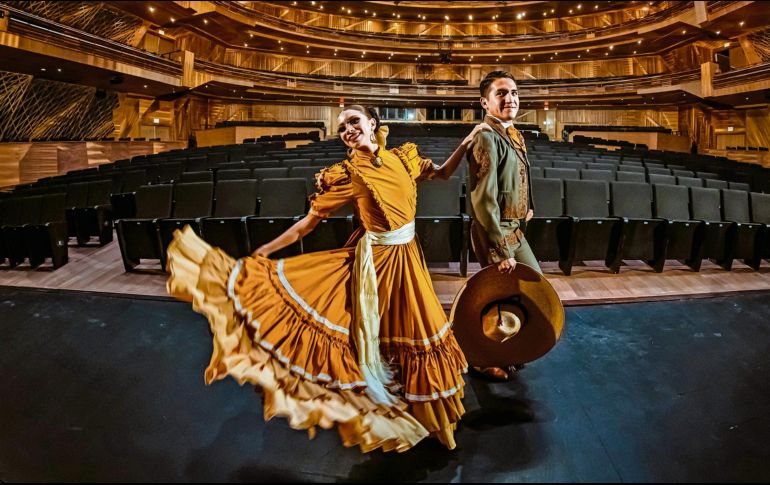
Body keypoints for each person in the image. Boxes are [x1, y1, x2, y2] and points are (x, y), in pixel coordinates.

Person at [166, 105, 490, 452]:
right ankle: (384, 412)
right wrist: (266, 250)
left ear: (372, 123)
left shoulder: (403, 159)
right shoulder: (348, 174)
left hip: (408, 259)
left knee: (416, 332)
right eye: (342, 127)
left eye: (354, 121)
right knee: (377, 336)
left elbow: (441, 173)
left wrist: (466, 142)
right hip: (375, 263)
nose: (348, 129)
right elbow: (308, 223)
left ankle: (431, 421)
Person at [466, 70, 541, 382]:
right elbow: (483, 201)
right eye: (501, 93)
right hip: (494, 229)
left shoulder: (513, 133)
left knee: (530, 288)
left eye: (513, 92)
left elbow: (521, 174)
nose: (509, 98)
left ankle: (506, 349)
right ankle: (480, 357)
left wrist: (529, 204)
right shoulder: (486, 137)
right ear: (485, 102)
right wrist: (499, 249)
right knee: (499, 297)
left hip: (515, 226)